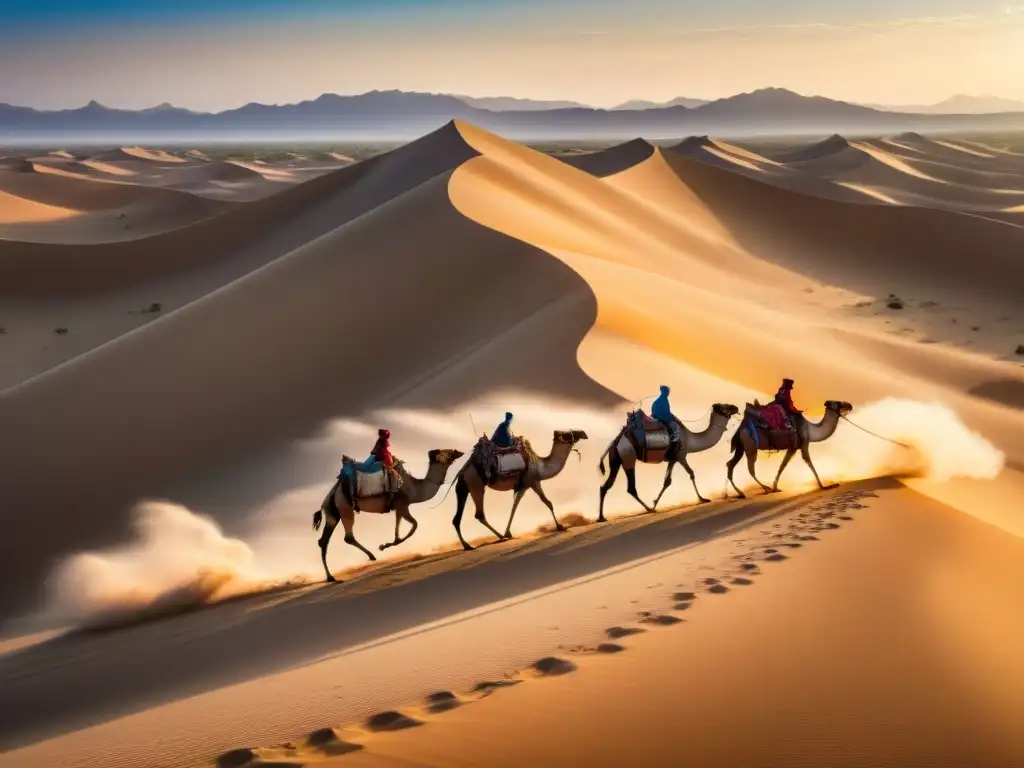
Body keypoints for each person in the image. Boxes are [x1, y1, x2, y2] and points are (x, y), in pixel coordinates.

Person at [349, 428, 397, 512]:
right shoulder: (385, 452)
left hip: (381, 466)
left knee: (355, 467)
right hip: (386, 468)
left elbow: (365, 466)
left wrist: (354, 464)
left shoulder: (378, 453)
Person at [650, 384, 682, 450]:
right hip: (662, 419)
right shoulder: (664, 400)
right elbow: (666, 412)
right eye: (668, 391)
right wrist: (670, 416)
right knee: (674, 425)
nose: (668, 393)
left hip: (655, 418)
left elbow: (654, 410)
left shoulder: (657, 401)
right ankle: (675, 439)